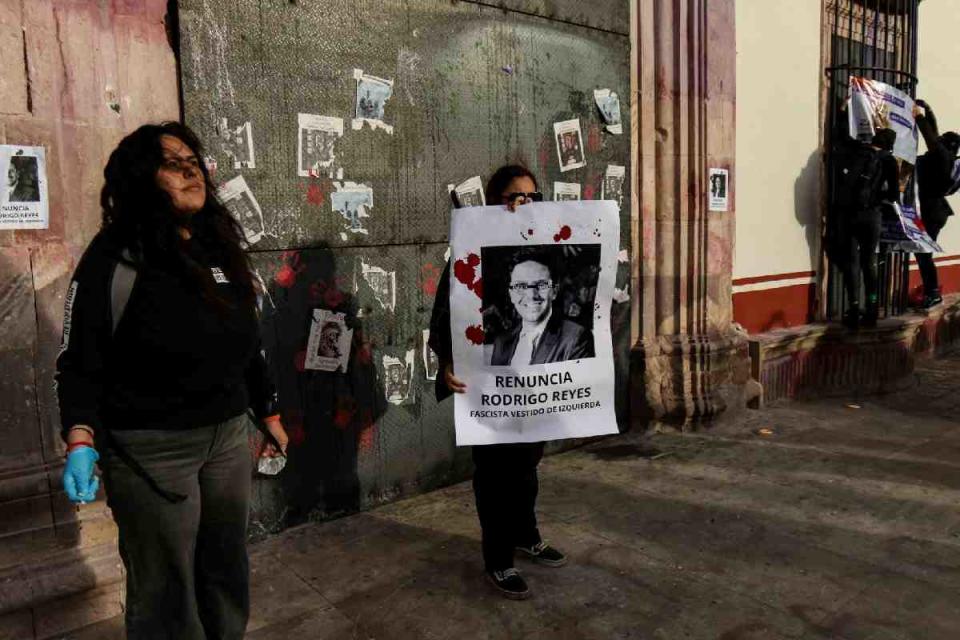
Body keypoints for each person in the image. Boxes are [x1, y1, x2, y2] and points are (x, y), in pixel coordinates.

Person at [56, 122, 288, 640]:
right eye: (173, 163)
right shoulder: (113, 258)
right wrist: (80, 437)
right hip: (151, 450)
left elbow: (248, 338)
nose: (191, 171)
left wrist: (267, 409)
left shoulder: (218, 245)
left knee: (226, 567)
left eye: (193, 161)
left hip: (226, 437)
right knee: (166, 589)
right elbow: (77, 359)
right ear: (141, 179)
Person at [429, 165, 567, 601]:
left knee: (526, 468)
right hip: (487, 385)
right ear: (494, 202)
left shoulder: (549, 251)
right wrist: (449, 362)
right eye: (511, 196)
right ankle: (498, 558)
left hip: (533, 386)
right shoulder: (468, 251)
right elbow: (443, 316)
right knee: (494, 475)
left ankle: (527, 535)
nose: (520, 204)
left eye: (528, 196)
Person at [836, 128, 899, 329]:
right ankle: (871, 307)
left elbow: (842, 136)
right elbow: (894, 195)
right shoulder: (888, 160)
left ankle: (853, 307)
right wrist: (877, 197)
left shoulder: (858, 150)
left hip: (848, 214)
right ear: (889, 144)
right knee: (868, 262)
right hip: (871, 216)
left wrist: (843, 110)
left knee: (851, 262)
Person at [489, 249, 594, 366]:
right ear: (511, 294)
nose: (531, 295)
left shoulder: (575, 338)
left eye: (541, 285)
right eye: (521, 286)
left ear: (554, 291)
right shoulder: (502, 342)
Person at [913, 99, 960, 308]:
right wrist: (929, 110)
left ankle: (932, 292)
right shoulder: (946, 157)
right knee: (921, 252)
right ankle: (930, 289)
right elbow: (935, 135)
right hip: (934, 211)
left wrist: (919, 117)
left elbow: (931, 138)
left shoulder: (941, 157)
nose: (938, 141)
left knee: (923, 254)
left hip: (932, 212)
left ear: (945, 146)